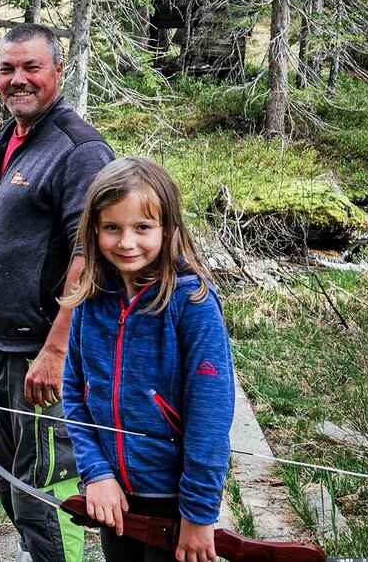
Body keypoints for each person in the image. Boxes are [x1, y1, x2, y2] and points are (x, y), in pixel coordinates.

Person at [0, 22, 114, 562]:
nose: (19, 79)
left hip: (42, 355)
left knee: (47, 495)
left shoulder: (78, 149)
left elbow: (92, 255)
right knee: (11, 487)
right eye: (7, 68)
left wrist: (57, 350)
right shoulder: (5, 146)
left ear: (57, 71)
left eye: (31, 67)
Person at [60, 157, 235, 562]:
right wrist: (96, 473)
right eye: (112, 228)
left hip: (175, 501)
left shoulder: (193, 303)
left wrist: (198, 512)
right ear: (93, 229)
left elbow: (211, 415)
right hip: (114, 498)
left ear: (168, 228)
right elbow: (74, 392)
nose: (126, 242)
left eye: (142, 228)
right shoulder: (91, 299)